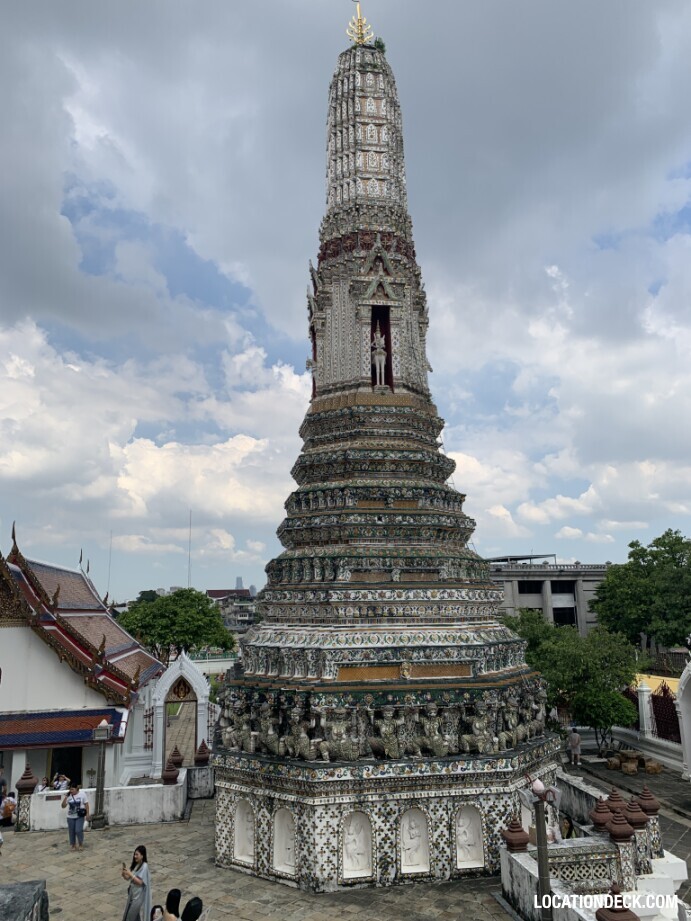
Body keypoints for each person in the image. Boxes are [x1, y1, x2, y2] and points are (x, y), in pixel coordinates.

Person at [122, 845, 151, 921]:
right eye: (134, 854)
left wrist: (130, 874)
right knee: (135, 917)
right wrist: (124, 874)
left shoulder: (144, 866)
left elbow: (140, 882)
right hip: (132, 894)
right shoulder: (136, 864)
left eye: (136, 855)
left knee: (130, 917)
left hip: (138, 897)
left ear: (142, 856)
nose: (135, 856)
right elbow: (128, 878)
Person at [61, 783, 89, 851]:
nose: (71, 791)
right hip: (70, 817)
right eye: (70, 789)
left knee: (78, 830)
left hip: (79, 816)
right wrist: (66, 797)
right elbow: (63, 806)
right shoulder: (69, 796)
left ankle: (80, 843)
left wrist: (87, 814)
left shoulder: (82, 794)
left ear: (77, 789)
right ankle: (73, 844)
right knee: (71, 831)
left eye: (72, 789)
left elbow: (86, 804)